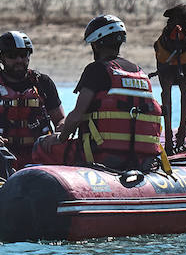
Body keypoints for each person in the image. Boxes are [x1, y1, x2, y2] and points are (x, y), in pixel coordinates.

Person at [34, 15, 163, 170]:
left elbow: (76, 116)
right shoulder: (139, 71)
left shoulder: (96, 69)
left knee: (41, 146)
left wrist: (60, 137)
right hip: (142, 158)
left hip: (102, 155)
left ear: (95, 44)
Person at [0, 31, 65, 169]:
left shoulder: (43, 83)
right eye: (12, 55)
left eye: (23, 54)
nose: (19, 60)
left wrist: (60, 133)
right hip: (0, 157)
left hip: (40, 156)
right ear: (1, 58)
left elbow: (61, 119)